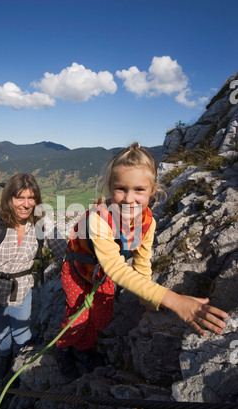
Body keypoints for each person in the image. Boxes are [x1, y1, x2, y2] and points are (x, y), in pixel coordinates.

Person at [55, 142, 229, 381]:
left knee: (101, 317)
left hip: (100, 273)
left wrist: (148, 300)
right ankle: (64, 348)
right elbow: (116, 268)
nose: (129, 199)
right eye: (120, 189)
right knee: (78, 316)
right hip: (77, 271)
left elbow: (142, 263)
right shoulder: (98, 220)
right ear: (109, 188)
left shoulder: (148, 223)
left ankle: (83, 348)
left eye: (139, 189)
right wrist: (173, 300)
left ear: (152, 190)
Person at [0, 173, 66, 379]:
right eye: (19, 198)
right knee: (1, 330)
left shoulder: (41, 222)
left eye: (31, 198)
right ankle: (5, 355)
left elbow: (65, 252)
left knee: (22, 332)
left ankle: (21, 364)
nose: (26, 204)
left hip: (22, 288)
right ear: (9, 199)